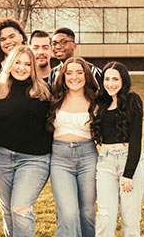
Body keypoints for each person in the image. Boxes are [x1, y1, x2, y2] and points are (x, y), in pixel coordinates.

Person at [0, 45, 52, 237]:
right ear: (9, 63)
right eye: (17, 62)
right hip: (2, 157)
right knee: (8, 211)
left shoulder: (43, 91)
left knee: (20, 208)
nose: (22, 68)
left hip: (35, 159)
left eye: (27, 64)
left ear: (33, 67)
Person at [92, 62, 144, 236]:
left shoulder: (132, 100)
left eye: (115, 79)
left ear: (123, 80)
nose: (110, 83)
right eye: (107, 79)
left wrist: (128, 174)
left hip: (129, 161)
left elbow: (136, 139)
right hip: (105, 163)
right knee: (105, 216)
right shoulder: (101, 104)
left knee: (130, 219)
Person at [46, 57, 99, 237]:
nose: (74, 77)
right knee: (68, 213)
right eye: (69, 73)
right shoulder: (54, 99)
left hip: (88, 157)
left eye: (79, 72)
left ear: (86, 75)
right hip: (60, 159)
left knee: (87, 213)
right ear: (63, 76)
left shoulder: (96, 101)